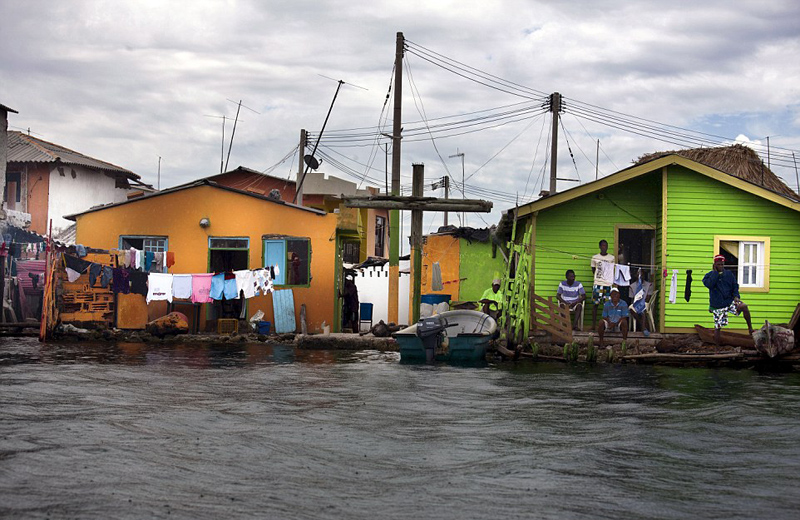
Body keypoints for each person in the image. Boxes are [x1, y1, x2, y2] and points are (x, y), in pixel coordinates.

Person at [702, 254, 754, 346]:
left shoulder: (729, 274)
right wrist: (715, 273)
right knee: (718, 327)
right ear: (715, 265)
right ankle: (717, 348)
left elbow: (735, 286)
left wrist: (736, 296)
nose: (721, 266)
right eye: (719, 264)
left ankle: (750, 329)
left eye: (722, 264)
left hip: (729, 301)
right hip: (717, 305)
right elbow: (710, 285)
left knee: (744, 306)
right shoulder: (708, 276)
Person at [590, 239, 615, 328]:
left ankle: (607, 325)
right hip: (598, 283)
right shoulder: (595, 257)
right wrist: (600, 278)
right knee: (595, 304)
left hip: (608, 284)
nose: (605, 247)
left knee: (607, 305)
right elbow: (594, 270)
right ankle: (593, 325)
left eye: (606, 246)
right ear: (600, 247)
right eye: (603, 246)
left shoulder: (611, 258)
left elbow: (612, 270)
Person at [628, 268, 652, 336]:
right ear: (635, 276)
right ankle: (643, 327)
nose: (640, 276)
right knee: (631, 309)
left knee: (643, 309)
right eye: (638, 275)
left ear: (644, 276)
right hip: (635, 303)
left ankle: (643, 327)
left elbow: (648, 298)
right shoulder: (632, 286)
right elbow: (632, 298)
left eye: (642, 275)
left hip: (645, 303)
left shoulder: (648, 285)